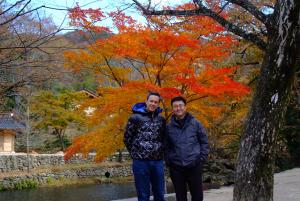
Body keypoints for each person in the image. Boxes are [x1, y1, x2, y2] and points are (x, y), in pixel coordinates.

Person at [165, 96, 209, 201]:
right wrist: (169, 161)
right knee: (180, 197)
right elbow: (166, 147)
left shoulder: (196, 123)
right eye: (175, 106)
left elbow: (204, 142)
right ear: (172, 109)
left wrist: (201, 159)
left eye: (180, 105)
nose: (178, 108)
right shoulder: (168, 127)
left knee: (197, 196)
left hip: (194, 164)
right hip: (176, 167)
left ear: (185, 107)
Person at [124, 92, 166, 201]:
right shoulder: (135, 118)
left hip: (157, 161)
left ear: (158, 104)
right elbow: (127, 138)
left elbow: (164, 138)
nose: (153, 103)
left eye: (156, 102)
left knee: (160, 193)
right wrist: (136, 152)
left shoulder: (161, 120)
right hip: (140, 162)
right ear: (146, 101)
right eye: (151, 101)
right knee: (143, 195)